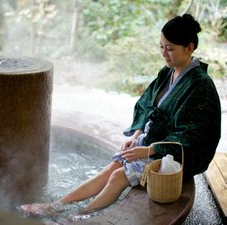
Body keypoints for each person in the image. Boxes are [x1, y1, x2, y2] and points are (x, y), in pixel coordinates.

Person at [21, 14, 221, 216]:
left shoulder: (199, 85)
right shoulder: (168, 72)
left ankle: (78, 216)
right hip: (154, 143)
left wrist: (148, 151)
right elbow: (147, 105)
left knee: (118, 176)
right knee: (114, 166)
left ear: (189, 47)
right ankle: (57, 206)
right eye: (161, 46)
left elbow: (191, 136)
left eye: (170, 49)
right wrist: (136, 137)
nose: (164, 54)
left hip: (176, 154)